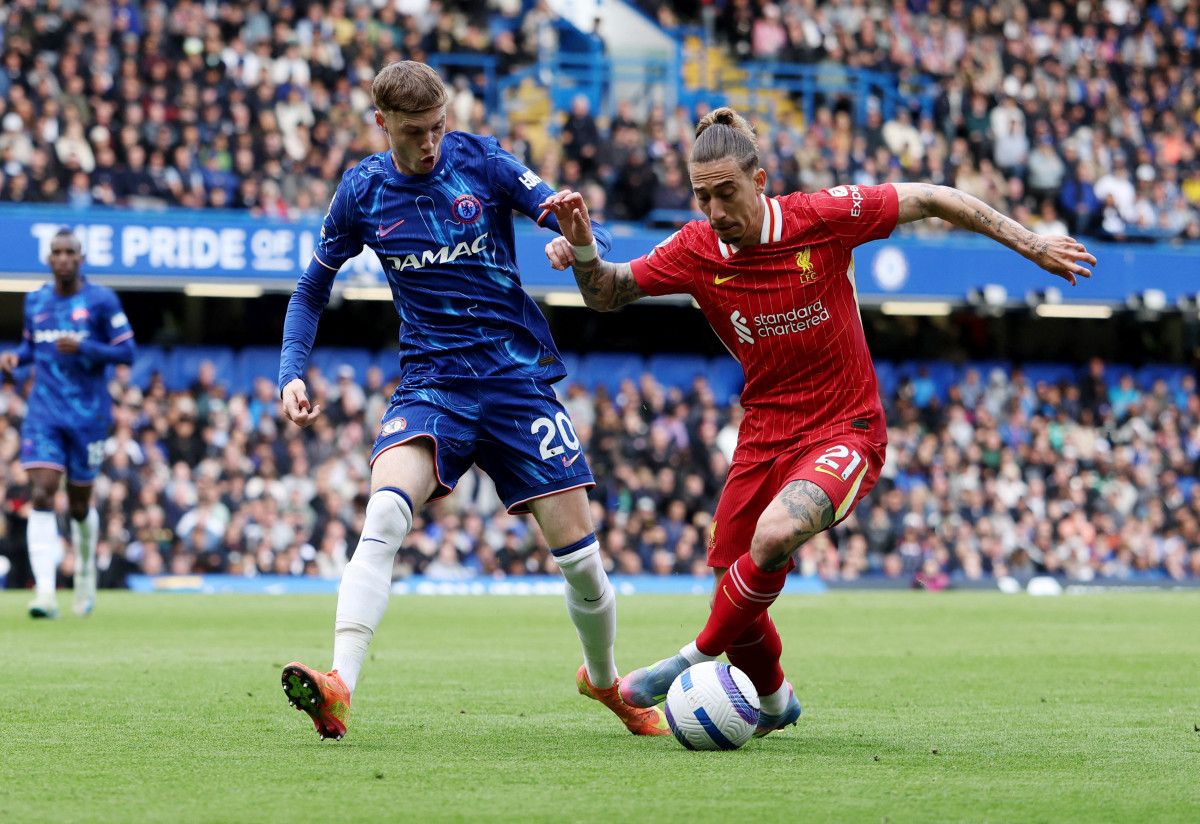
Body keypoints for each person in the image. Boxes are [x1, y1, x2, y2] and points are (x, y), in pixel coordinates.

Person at [539, 106, 1096, 737]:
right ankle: (777, 703)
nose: (716, 211)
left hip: (845, 426)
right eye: (702, 197)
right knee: (733, 586)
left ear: (760, 180)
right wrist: (580, 245)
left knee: (774, 536)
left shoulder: (822, 217)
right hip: (763, 434)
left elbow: (934, 197)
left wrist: (1033, 244)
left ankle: (685, 661)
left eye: (727, 193)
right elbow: (606, 292)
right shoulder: (695, 249)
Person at [277, 61, 667, 740]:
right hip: (434, 383)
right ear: (382, 124)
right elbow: (312, 288)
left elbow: (585, 227)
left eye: (437, 126)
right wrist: (291, 371)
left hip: (516, 381)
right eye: (414, 131)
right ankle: (339, 685)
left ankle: (606, 682)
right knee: (385, 512)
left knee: (581, 562)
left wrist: (574, 242)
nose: (430, 142)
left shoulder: (481, 161)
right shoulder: (363, 191)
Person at [0, 228, 136, 618]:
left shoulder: (101, 300)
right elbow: (32, 347)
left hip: (88, 416)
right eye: (56, 252)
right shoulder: (35, 300)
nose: (62, 258)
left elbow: (127, 352)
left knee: (79, 505)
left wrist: (85, 347)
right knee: (41, 492)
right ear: (48, 259)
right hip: (44, 412)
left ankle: (85, 572)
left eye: (69, 252)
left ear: (81, 259)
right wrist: (16, 358)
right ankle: (45, 594)